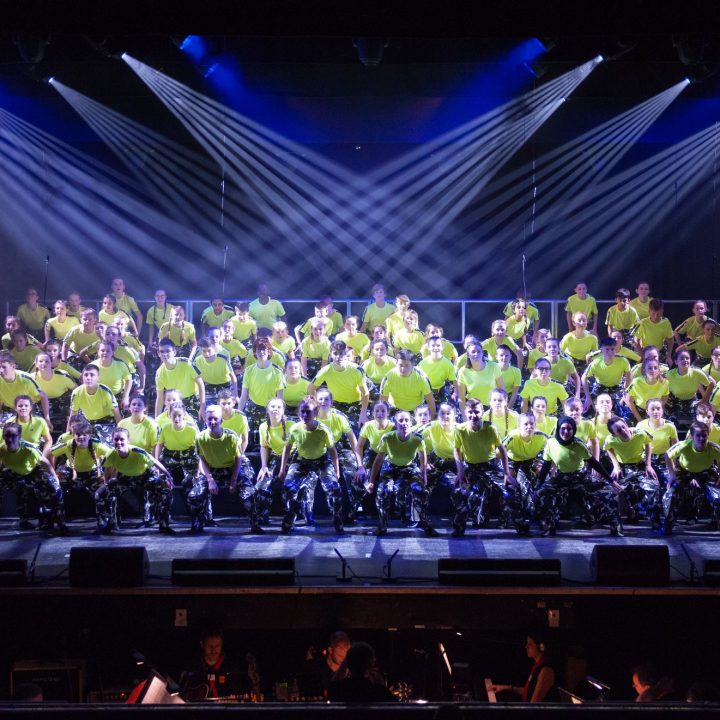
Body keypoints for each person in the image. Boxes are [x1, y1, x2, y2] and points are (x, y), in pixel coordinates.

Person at [535, 416, 622, 536]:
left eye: (569, 429)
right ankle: (549, 526)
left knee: (609, 492)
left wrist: (611, 481)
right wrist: (539, 484)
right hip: (562, 478)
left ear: (574, 430)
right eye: (563, 429)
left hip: (580, 477)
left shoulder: (579, 445)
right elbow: (546, 465)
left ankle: (616, 527)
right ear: (558, 429)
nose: (566, 432)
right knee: (542, 492)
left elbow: (594, 463)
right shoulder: (551, 443)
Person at [451, 398, 517, 536]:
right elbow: (456, 449)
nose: (473, 416)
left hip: (491, 466)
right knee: (461, 493)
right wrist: (460, 471)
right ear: (465, 412)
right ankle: (459, 529)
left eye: (476, 412)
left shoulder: (491, 428)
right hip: (471, 468)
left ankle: (520, 527)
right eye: (470, 412)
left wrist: (506, 473)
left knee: (510, 491)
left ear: (482, 412)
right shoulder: (460, 430)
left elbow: (502, 450)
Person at [366, 409, 436, 537]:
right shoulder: (388, 438)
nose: (404, 423)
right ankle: (382, 526)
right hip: (391, 467)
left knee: (421, 491)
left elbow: (422, 457)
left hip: (409, 467)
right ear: (396, 424)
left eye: (406, 420)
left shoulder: (418, 439)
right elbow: (379, 459)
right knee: (384, 491)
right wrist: (371, 481)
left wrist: (424, 475)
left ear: (411, 422)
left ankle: (425, 524)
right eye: (401, 421)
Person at [279, 397, 343, 534]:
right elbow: (287, 447)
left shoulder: (323, 430)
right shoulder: (295, 429)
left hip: (321, 461)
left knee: (334, 488)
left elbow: (333, 451)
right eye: (302, 412)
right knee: (288, 488)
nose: (305, 415)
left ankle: (337, 517)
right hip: (302, 460)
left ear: (315, 413)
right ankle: (291, 514)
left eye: (308, 412)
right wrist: (282, 469)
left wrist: (336, 470)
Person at [95, 426, 174, 535]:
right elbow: (108, 471)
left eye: (122, 439)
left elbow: (155, 462)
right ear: (112, 440)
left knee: (166, 493)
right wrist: (106, 484)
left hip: (144, 476)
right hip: (125, 477)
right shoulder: (110, 454)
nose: (119, 442)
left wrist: (168, 475)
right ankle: (105, 525)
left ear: (128, 441)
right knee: (100, 494)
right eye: (116, 439)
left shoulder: (138, 452)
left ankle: (164, 525)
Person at [196, 405, 262, 534]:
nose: (212, 422)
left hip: (232, 469)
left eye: (215, 419)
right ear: (206, 420)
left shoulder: (231, 436)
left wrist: (233, 480)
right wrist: (210, 480)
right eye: (209, 419)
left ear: (221, 420)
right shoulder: (200, 438)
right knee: (194, 495)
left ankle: (255, 524)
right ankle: (197, 524)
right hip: (213, 470)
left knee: (250, 493)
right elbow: (202, 459)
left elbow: (238, 460)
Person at [0, 421, 67, 534]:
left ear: (19, 436)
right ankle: (24, 521)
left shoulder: (29, 448)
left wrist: (55, 479)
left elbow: (45, 463)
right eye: (7, 435)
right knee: (18, 486)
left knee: (54, 489)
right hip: (14, 472)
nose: (9, 439)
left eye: (13, 436)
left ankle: (59, 522)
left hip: (33, 471)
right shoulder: (1, 449)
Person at [155, 403, 207, 534]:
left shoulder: (192, 429)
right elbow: (159, 445)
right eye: (174, 416)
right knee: (162, 487)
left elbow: (200, 450)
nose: (176, 419)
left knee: (193, 486)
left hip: (189, 457)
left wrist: (200, 468)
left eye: (179, 416)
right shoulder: (166, 428)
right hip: (170, 457)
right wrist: (157, 465)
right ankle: (163, 524)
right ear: (170, 415)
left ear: (184, 415)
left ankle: (197, 523)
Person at [316, 388, 364, 525]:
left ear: (331, 402)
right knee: (331, 483)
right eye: (320, 399)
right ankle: (336, 514)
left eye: (326, 399)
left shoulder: (339, 417)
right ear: (315, 401)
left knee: (355, 476)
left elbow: (353, 440)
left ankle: (352, 512)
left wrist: (360, 464)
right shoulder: (311, 416)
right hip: (320, 451)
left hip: (339, 448)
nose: (323, 402)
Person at [664, 421, 720, 534]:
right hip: (684, 472)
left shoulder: (714, 448)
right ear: (692, 436)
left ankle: (716, 522)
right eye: (698, 436)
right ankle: (669, 523)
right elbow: (667, 455)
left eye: (704, 435)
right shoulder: (684, 445)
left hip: (706, 472)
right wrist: (672, 474)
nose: (701, 438)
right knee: (670, 495)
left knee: (717, 497)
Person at [181, 628, 260, 701]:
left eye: (217, 646)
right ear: (202, 644)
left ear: (222, 645)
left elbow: (254, 698)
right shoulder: (192, 667)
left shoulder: (233, 667)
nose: (213, 650)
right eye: (210, 646)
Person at [309, 340, 369, 429]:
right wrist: (319, 406)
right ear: (330, 354)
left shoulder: (357, 370)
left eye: (341, 353)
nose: (338, 357)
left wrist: (363, 414)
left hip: (355, 406)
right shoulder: (325, 371)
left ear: (345, 354)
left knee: (357, 434)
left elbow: (365, 393)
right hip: (334, 406)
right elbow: (310, 389)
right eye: (335, 353)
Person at [238, 337, 285, 442]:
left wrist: (281, 416)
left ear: (269, 351)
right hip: (252, 409)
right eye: (259, 349)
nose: (261, 352)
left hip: (270, 410)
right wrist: (239, 414)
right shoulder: (249, 371)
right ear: (255, 352)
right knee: (247, 439)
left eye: (264, 349)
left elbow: (280, 398)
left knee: (268, 441)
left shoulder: (277, 371)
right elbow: (244, 396)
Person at [489, 632, 559, 702]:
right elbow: (528, 692)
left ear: (541, 647)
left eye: (530, 644)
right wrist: (505, 687)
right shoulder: (537, 665)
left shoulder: (546, 671)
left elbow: (534, 705)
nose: (526, 646)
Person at [328, 642, 396, 703]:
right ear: (371, 664)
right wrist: (381, 686)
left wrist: (345, 664)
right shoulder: (379, 692)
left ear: (348, 664)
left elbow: (332, 687)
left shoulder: (338, 690)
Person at [155, 339, 205, 420]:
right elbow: (160, 399)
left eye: (168, 351)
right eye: (162, 351)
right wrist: (156, 420)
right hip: (172, 403)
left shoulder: (187, 363)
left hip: (191, 400)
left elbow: (200, 384)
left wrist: (202, 407)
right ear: (158, 354)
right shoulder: (159, 373)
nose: (165, 354)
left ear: (174, 352)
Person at [69, 364, 121, 442]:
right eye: (86, 375)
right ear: (82, 377)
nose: (88, 378)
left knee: (107, 448)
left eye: (92, 375)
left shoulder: (105, 391)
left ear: (98, 378)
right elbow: (73, 415)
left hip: (106, 422)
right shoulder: (76, 393)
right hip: (87, 422)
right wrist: (69, 433)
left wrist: (119, 432)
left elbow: (117, 413)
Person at [457, 342, 503, 413]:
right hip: (473, 410)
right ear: (468, 355)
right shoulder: (463, 372)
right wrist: (465, 417)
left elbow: (502, 391)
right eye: (473, 352)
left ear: (482, 353)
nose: (476, 354)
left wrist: (502, 410)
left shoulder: (494, 366)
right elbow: (462, 399)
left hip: (492, 409)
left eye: (479, 351)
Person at [418, 336, 457, 406]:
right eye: (433, 346)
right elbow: (417, 379)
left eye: (438, 345)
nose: (436, 348)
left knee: (447, 407)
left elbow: (454, 380)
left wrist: (456, 392)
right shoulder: (422, 364)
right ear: (429, 348)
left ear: (442, 347)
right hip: (426, 390)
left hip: (441, 390)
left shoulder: (448, 364)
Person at [635, 298, 674, 363]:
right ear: (649, 311)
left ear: (662, 311)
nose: (656, 316)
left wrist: (669, 355)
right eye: (653, 313)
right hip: (646, 352)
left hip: (660, 352)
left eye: (658, 314)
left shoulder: (666, 322)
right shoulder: (642, 323)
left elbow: (671, 339)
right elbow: (636, 340)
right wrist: (642, 355)